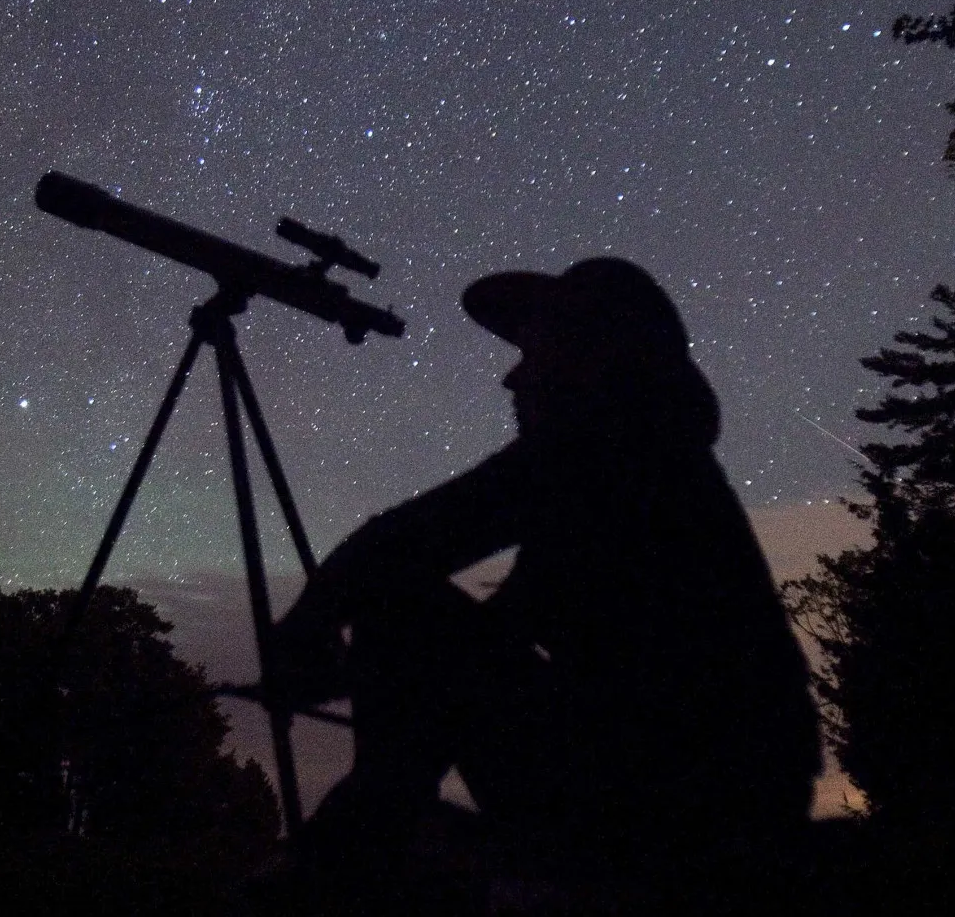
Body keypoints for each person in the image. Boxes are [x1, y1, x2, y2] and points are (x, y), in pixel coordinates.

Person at [272, 257, 818, 877]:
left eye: (537, 353)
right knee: (413, 626)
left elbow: (404, 543)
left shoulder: (604, 447)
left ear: (590, 358)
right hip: (719, 785)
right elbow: (500, 622)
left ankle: (355, 855)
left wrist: (307, 632)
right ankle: (374, 837)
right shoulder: (645, 458)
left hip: (694, 798)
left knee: (404, 612)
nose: (514, 378)